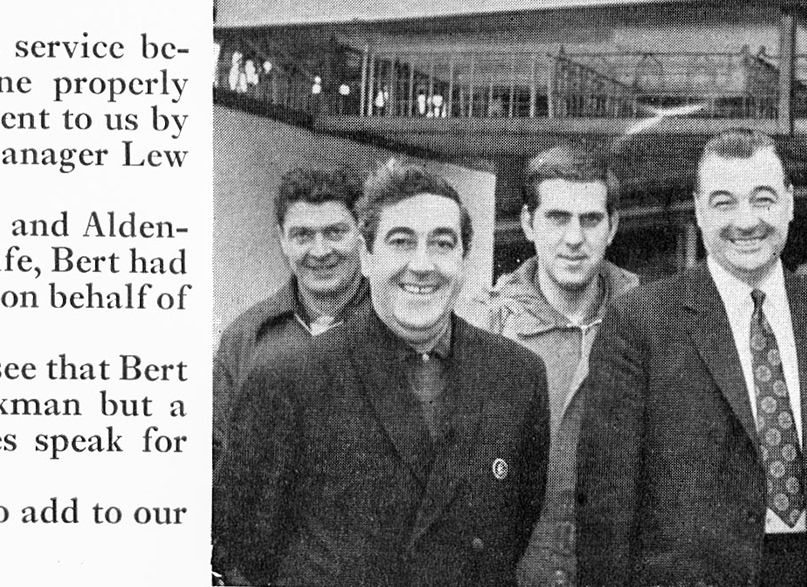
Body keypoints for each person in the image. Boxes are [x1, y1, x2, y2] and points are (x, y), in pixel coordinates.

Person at [212, 159, 549, 587]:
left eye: (442, 243)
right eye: (402, 242)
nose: (422, 264)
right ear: (367, 258)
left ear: (464, 258)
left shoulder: (517, 376)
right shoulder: (287, 378)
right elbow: (247, 542)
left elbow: (514, 525)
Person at [575, 128, 807, 586]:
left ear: (790, 203)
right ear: (697, 209)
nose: (746, 221)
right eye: (723, 202)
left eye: (763, 199)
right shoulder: (641, 322)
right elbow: (606, 501)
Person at [468, 144, 640, 587]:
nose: (574, 239)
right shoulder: (483, 326)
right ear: (528, 223)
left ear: (613, 225)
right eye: (557, 218)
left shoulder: (653, 326)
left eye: (590, 219)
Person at [211, 167, 371, 460]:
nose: (320, 251)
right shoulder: (245, 337)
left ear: (361, 234)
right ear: (282, 240)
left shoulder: (397, 326)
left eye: (335, 232)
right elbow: (215, 453)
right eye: (302, 235)